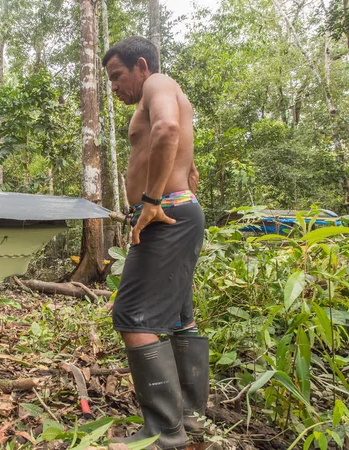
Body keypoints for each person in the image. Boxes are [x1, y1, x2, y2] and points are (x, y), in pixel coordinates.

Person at [102, 36, 207, 449]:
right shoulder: (171, 92)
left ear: (141, 65)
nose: (114, 88)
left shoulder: (158, 83)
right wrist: (183, 201)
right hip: (179, 211)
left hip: (164, 215)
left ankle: (165, 431)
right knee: (180, 315)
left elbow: (167, 128)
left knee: (131, 317)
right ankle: (191, 416)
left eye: (116, 76)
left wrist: (150, 202)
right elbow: (190, 163)